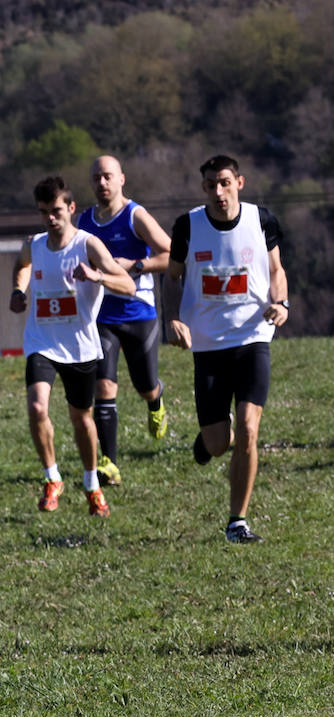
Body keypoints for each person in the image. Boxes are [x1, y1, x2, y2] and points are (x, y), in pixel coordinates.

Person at [160, 155, 290, 544]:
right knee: (219, 444)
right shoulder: (187, 226)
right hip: (208, 346)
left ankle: (237, 522)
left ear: (239, 183)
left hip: (252, 338)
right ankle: (210, 438)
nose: (218, 191)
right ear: (204, 189)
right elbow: (172, 278)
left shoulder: (260, 220)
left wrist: (281, 303)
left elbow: (277, 270)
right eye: (211, 185)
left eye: (225, 182)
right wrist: (172, 319)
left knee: (249, 429)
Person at [10, 176, 136, 517]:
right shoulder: (33, 245)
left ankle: (92, 484)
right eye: (43, 213)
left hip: (80, 348)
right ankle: (52, 478)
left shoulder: (89, 245)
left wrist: (98, 277)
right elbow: (21, 267)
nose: (50, 219)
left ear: (71, 208)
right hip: (42, 342)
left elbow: (128, 286)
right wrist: (19, 292)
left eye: (56, 211)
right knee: (37, 408)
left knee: (81, 419)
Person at [76, 155, 173, 486]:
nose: (101, 183)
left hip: (139, 313)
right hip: (101, 316)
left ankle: (156, 402)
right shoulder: (84, 221)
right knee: (104, 386)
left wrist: (136, 264)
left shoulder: (136, 216)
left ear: (121, 179)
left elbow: (172, 255)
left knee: (145, 385)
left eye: (107, 177)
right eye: (96, 178)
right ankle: (109, 463)